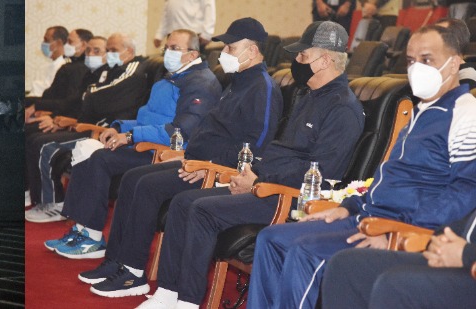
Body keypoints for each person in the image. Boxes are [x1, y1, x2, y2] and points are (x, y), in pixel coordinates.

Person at [46, 16, 282, 297]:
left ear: (252, 51)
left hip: (218, 172)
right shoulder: (237, 83)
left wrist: (209, 165)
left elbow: (255, 145)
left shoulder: (263, 88)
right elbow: (208, 132)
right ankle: (117, 261)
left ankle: (133, 275)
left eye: (230, 48)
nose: (224, 54)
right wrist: (185, 155)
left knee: (146, 186)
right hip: (194, 161)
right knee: (133, 179)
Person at [134, 21, 365, 307]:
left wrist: (257, 182)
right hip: (264, 182)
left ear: (325, 60)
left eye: (303, 56)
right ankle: (168, 292)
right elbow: (282, 152)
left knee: (202, 210)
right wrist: (252, 174)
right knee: (183, 202)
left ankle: (188, 301)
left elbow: (321, 173)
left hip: (287, 196)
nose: (296, 62)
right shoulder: (310, 96)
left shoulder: (342, 107)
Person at [248, 23, 476, 309]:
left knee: (305, 251)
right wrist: (348, 206)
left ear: (454, 63)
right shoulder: (422, 111)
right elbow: (387, 183)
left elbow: (465, 192)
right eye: (411, 61)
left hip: (397, 227)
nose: (417, 68)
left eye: (427, 60)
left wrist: (398, 229)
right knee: (272, 239)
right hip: (364, 217)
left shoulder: (465, 113)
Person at [28, 29, 222, 224]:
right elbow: (146, 119)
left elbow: (179, 131)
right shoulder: (167, 80)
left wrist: (131, 136)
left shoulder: (200, 83)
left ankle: (90, 233)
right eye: (167, 47)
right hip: (146, 140)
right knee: (85, 150)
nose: (168, 52)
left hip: (163, 150)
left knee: (99, 158)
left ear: (193, 54)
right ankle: (79, 228)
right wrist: (119, 127)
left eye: (174, 48)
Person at [321, 209, 476, 309]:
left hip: (470, 266)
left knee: (397, 286)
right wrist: (438, 244)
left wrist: (465, 254)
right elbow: (465, 223)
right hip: (462, 254)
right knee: (348, 266)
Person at [29, 26, 72, 97]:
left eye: (46, 40)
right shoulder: (55, 64)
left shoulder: (63, 65)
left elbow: (51, 93)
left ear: (59, 43)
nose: (43, 43)